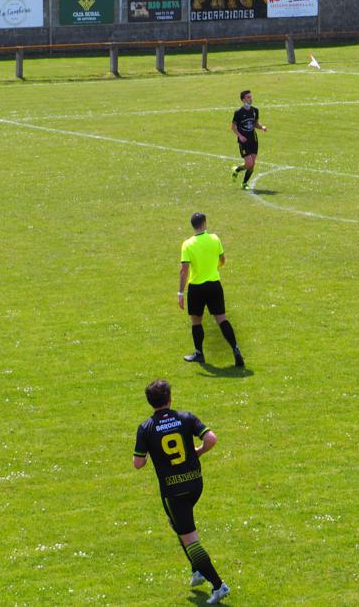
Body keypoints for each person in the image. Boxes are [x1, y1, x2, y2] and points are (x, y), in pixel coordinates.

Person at [133, 379, 231, 603]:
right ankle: (197, 570)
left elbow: (138, 463)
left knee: (189, 538)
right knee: (176, 524)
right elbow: (211, 438)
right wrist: (198, 452)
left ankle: (218, 585)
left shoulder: (146, 427)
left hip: (174, 491)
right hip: (195, 484)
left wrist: (146, 457)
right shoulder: (185, 417)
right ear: (170, 399)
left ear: (150, 402)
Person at [179, 212, 244, 367]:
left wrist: (180, 293)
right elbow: (222, 260)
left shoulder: (187, 244)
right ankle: (235, 348)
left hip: (196, 287)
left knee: (196, 321)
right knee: (221, 318)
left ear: (193, 225)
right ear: (204, 223)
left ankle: (199, 353)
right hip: (214, 285)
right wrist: (213, 268)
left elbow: (184, 270)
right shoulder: (215, 238)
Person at [231, 90, 268, 190]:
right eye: (248, 97)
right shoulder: (238, 112)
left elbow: (255, 124)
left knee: (252, 165)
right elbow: (233, 127)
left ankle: (244, 183)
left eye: (251, 97)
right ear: (243, 100)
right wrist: (240, 136)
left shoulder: (255, 110)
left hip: (253, 139)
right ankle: (237, 169)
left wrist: (262, 127)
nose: (250, 99)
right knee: (249, 164)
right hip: (243, 140)